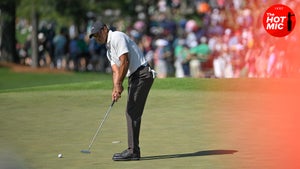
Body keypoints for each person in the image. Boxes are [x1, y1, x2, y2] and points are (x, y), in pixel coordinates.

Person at [89, 21, 155, 161]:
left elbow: (125, 61)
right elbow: (115, 70)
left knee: (132, 112)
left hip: (142, 74)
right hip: (135, 77)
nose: (97, 37)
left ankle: (133, 152)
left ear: (105, 29)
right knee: (132, 111)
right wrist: (115, 88)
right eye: (94, 36)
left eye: (98, 34)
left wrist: (119, 83)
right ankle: (133, 150)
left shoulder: (117, 37)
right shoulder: (108, 50)